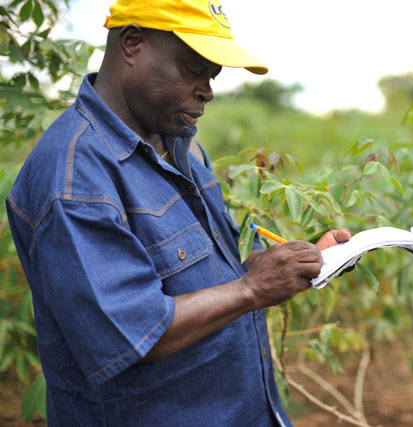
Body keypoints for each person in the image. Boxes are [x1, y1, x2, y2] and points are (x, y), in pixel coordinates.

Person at [5, 0, 351, 425]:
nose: (207, 90)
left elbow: (207, 279)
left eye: (213, 75)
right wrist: (252, 290)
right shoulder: (76, 179)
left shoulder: (180, 144)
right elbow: (135, 332)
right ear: (132, 43)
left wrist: (287, 265)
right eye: (194, 69)